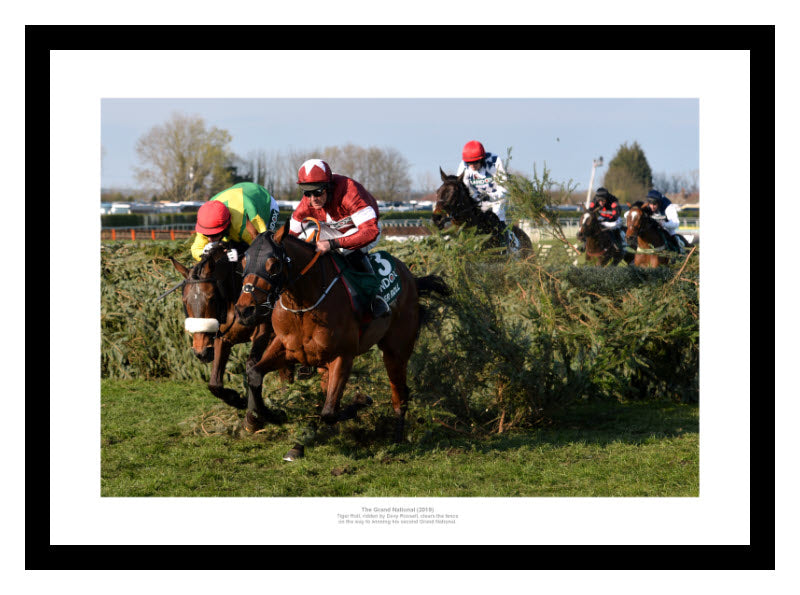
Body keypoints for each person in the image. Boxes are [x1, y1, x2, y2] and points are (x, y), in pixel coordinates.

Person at [288, 158, 390, 318]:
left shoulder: (349, 192)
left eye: (318, 192)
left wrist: (333, 243)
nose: (313, 198)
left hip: (364, 230)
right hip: (335, 230)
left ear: (329, 187)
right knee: (303, 239)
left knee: (344, 250)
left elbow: (370, 231)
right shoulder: (306, 203)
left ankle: (375, 296)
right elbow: (288, 237)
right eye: (307, 193)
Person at [191, 181, 281, 262]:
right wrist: (204, 253)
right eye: (207, 235)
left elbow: (263, 248)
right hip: (238, 194)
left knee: (268, 247)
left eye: (214, 235)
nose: (210, 239)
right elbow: (196, 249)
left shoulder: (246, 223)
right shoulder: (206, 219)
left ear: (225, 227)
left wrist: (239, 254)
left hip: (264, 202)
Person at [580, 187, 627, 252]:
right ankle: (585, 242)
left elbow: (615, 216)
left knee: (609, 227)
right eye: (599, 201)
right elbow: (590, 210)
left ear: (606, 198)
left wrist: (605, 221)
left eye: (603, 201)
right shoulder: (595, 200)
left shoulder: (613, 201)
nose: (600, 203)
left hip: (614, 219)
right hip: (602, 218)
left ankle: (616, 244)